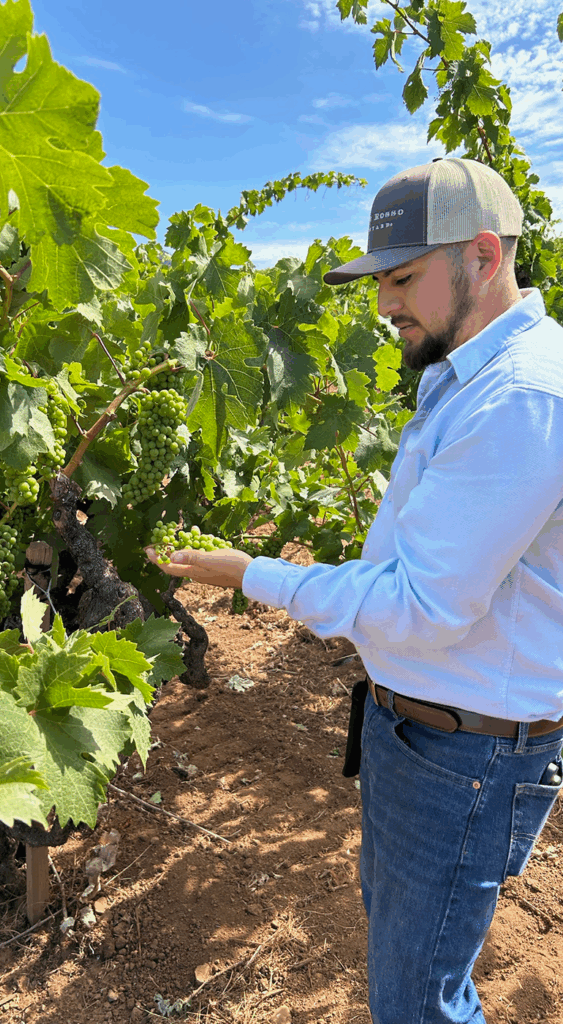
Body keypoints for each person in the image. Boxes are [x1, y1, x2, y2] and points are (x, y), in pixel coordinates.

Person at [145, 156, 563, 1024]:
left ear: (483, 257)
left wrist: (251, 573)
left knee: (417, 1002)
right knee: (415, 969)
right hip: (422, 737)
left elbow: (422, 607)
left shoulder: (520, 397)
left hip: (464, 761)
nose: (381, 305)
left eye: (402, 278)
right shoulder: (470, 376)